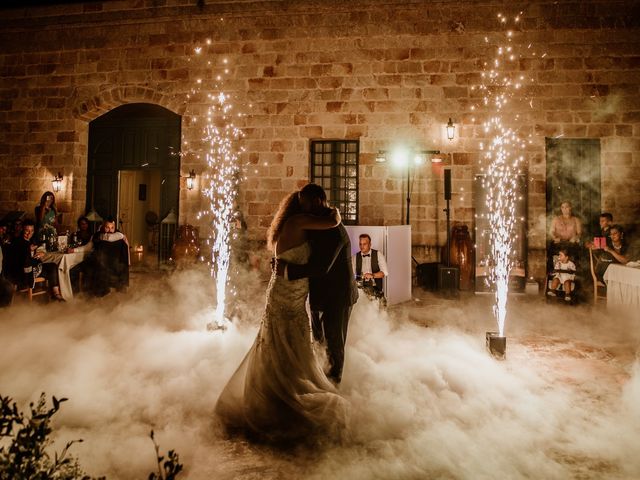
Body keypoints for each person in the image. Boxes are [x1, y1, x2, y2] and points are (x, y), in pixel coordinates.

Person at [215, 189, 349, 442]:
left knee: (289, 341)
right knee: (284, 338)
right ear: (303, 205)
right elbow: (333, 221)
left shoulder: (295, 223)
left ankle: (287, 381)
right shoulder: (297, 222)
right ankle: (284, 392)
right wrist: (334, 209)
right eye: (310, 203)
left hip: (294, 293)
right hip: (287, 292)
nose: (313, 207)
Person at [277, 183, 359, 385]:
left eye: (305, 204)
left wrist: (288, 270)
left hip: (337, 296)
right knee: (319, 343)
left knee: (334, 346)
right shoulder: (315, 223)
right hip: (318, 295)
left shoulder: (334, 230)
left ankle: (334, 386)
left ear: (318, 201)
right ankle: (321, 381)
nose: (303, 209)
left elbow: (322, 267)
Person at [5, 219, 64, 301]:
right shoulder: (18, 242)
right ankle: (48, 294)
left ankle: (56, 294)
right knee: (48, 271)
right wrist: (29, 251)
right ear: (22, 229)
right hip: (23, 271)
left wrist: (41, 253)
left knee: (53, 266)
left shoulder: (32, 240)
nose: (29, 234)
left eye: (31, 231)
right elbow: (20, 260)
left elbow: (40, 245)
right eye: (27, 231)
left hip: (34, 267)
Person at [84, 217, 129, 296]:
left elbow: (112, 238)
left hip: (115, 262)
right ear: (103, 226)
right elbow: (88, 246)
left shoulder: (119, 235)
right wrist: (74, 250)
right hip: (101, 262)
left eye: (112, 228)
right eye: (107, 227)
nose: (110, 230)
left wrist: (129, 261)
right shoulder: (97, 235)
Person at [352, 233, 389, 299]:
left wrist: (372, 275)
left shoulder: (378, 254)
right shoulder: (355, 257)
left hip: (376, 288)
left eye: (364, 244)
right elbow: (352, 274)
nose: (362, 246)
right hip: (360, 289)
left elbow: (384, 273)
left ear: (370, 244)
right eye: (360, 244)